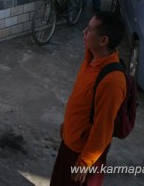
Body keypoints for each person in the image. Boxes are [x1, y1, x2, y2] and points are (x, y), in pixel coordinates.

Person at [50, 11, 127, 186]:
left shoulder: (112, 82)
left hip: (83, 154)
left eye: (89, 30)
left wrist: (85, 163)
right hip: (71, 142)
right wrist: (68, 124)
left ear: (104, 40)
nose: (84, 32)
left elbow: (103, 128)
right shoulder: (92, 58)